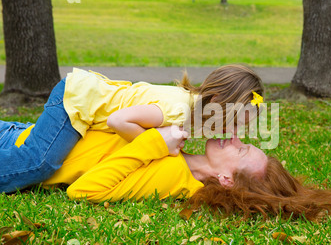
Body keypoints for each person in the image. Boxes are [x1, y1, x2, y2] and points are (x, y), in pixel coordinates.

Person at [2, 121, 331, 222]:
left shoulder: (173, 181)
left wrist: (155, 142)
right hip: (29, 131)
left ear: (226, 179)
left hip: (16, 153)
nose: (234, 138)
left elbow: (84, 191)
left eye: (240, 148)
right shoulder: (185, 154)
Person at [0, 65, 264, 193]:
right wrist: (157, 145)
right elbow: (118, 122)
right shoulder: (178, 110)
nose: (235, 135)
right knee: (40, 162)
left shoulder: (192, 116)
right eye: (237, 124)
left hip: (83, 104)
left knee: (29, 139)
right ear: (217, 103)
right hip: (77, 101)